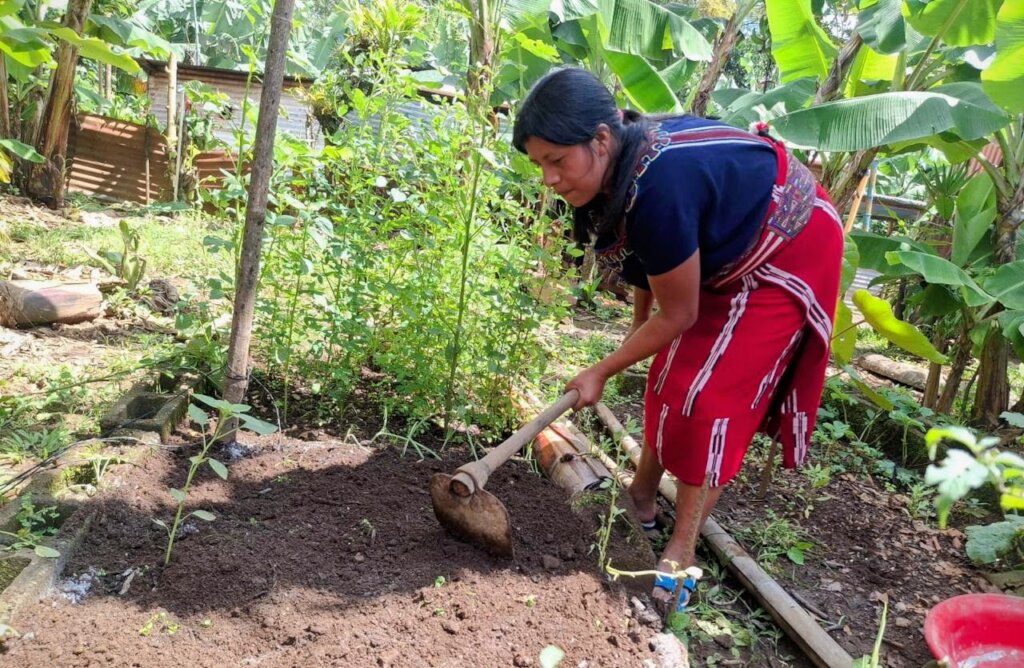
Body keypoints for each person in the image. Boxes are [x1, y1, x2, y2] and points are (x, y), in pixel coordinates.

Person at [513, 68, 843, 610]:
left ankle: (681, 548)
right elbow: (647, 269)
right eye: (538, 164)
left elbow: (680, 311)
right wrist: (637, 338)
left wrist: (601, 368)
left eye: (556, 160)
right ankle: (641, 497)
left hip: (786, 247)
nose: (548, 178)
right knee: (665, 373)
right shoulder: (621, 169)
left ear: (600, 139)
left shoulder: (660, 183)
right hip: (721, 250)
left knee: (706, 397)